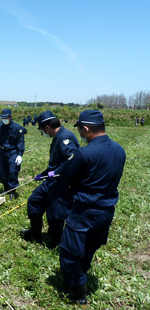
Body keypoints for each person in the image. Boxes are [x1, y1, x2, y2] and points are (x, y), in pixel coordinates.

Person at [58, 110, 125, 304]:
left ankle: (78, 293)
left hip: (84, 211)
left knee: (70, 252)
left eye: (80, 129)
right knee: (89, 248)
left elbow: (67, 178)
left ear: (86, 129)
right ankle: (81, 276)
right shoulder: (119, 150)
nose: (79, 132)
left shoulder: (84, 153)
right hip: (106, 211)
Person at [21, 111, 79, 248]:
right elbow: (55, 162)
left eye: (42, 130)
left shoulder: (66, 137)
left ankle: (55, 240)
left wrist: (56, 172)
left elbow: (72, 159)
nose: (43, 133)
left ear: (46, 127)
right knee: (34, 201)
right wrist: (43, 174)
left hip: (62, 182)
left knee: (55, 212)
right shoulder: (57, 136)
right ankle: (35, 233)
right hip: (51, 180)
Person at [0, 109, 25, 200]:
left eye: (6, 118)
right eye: (3, 118)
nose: (4, 119)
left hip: (13, 152)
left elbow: (20, 142)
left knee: (12, 171)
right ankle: (6, 188)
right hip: (2, 152)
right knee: (2, 173)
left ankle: (12, 191)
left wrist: (20, 154)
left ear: (10, 117)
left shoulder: (17, 128)